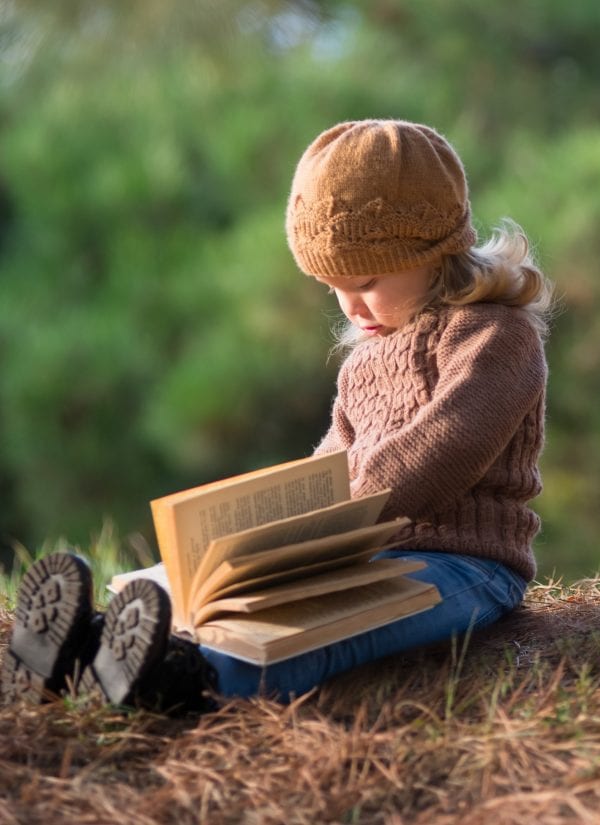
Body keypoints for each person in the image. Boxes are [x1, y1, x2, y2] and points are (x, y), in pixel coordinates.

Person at [1, 119, 554, 712]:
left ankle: (184, 681)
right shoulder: (366, 361)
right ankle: (88, 651)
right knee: (230, 601)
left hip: (462, 564)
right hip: (357, 550)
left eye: (366, 281)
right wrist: (264, 532)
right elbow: (330, 460)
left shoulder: (497, 335)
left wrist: (332, 513)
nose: (349, 306)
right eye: (330, 287)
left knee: (305, 635)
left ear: (432, 252)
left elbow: (449, 447)